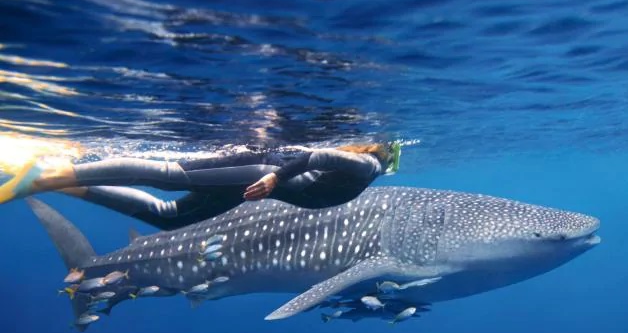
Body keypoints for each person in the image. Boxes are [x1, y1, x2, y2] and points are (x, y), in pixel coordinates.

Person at [0, 142, 402, 230]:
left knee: (171, 217)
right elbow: (318, 158)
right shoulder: (367, 165)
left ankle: (65, 185)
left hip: (259, 185)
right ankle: (56, 173)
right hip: (260, 173)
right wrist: (275, 177)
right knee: (170, 176)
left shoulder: (368, 168)